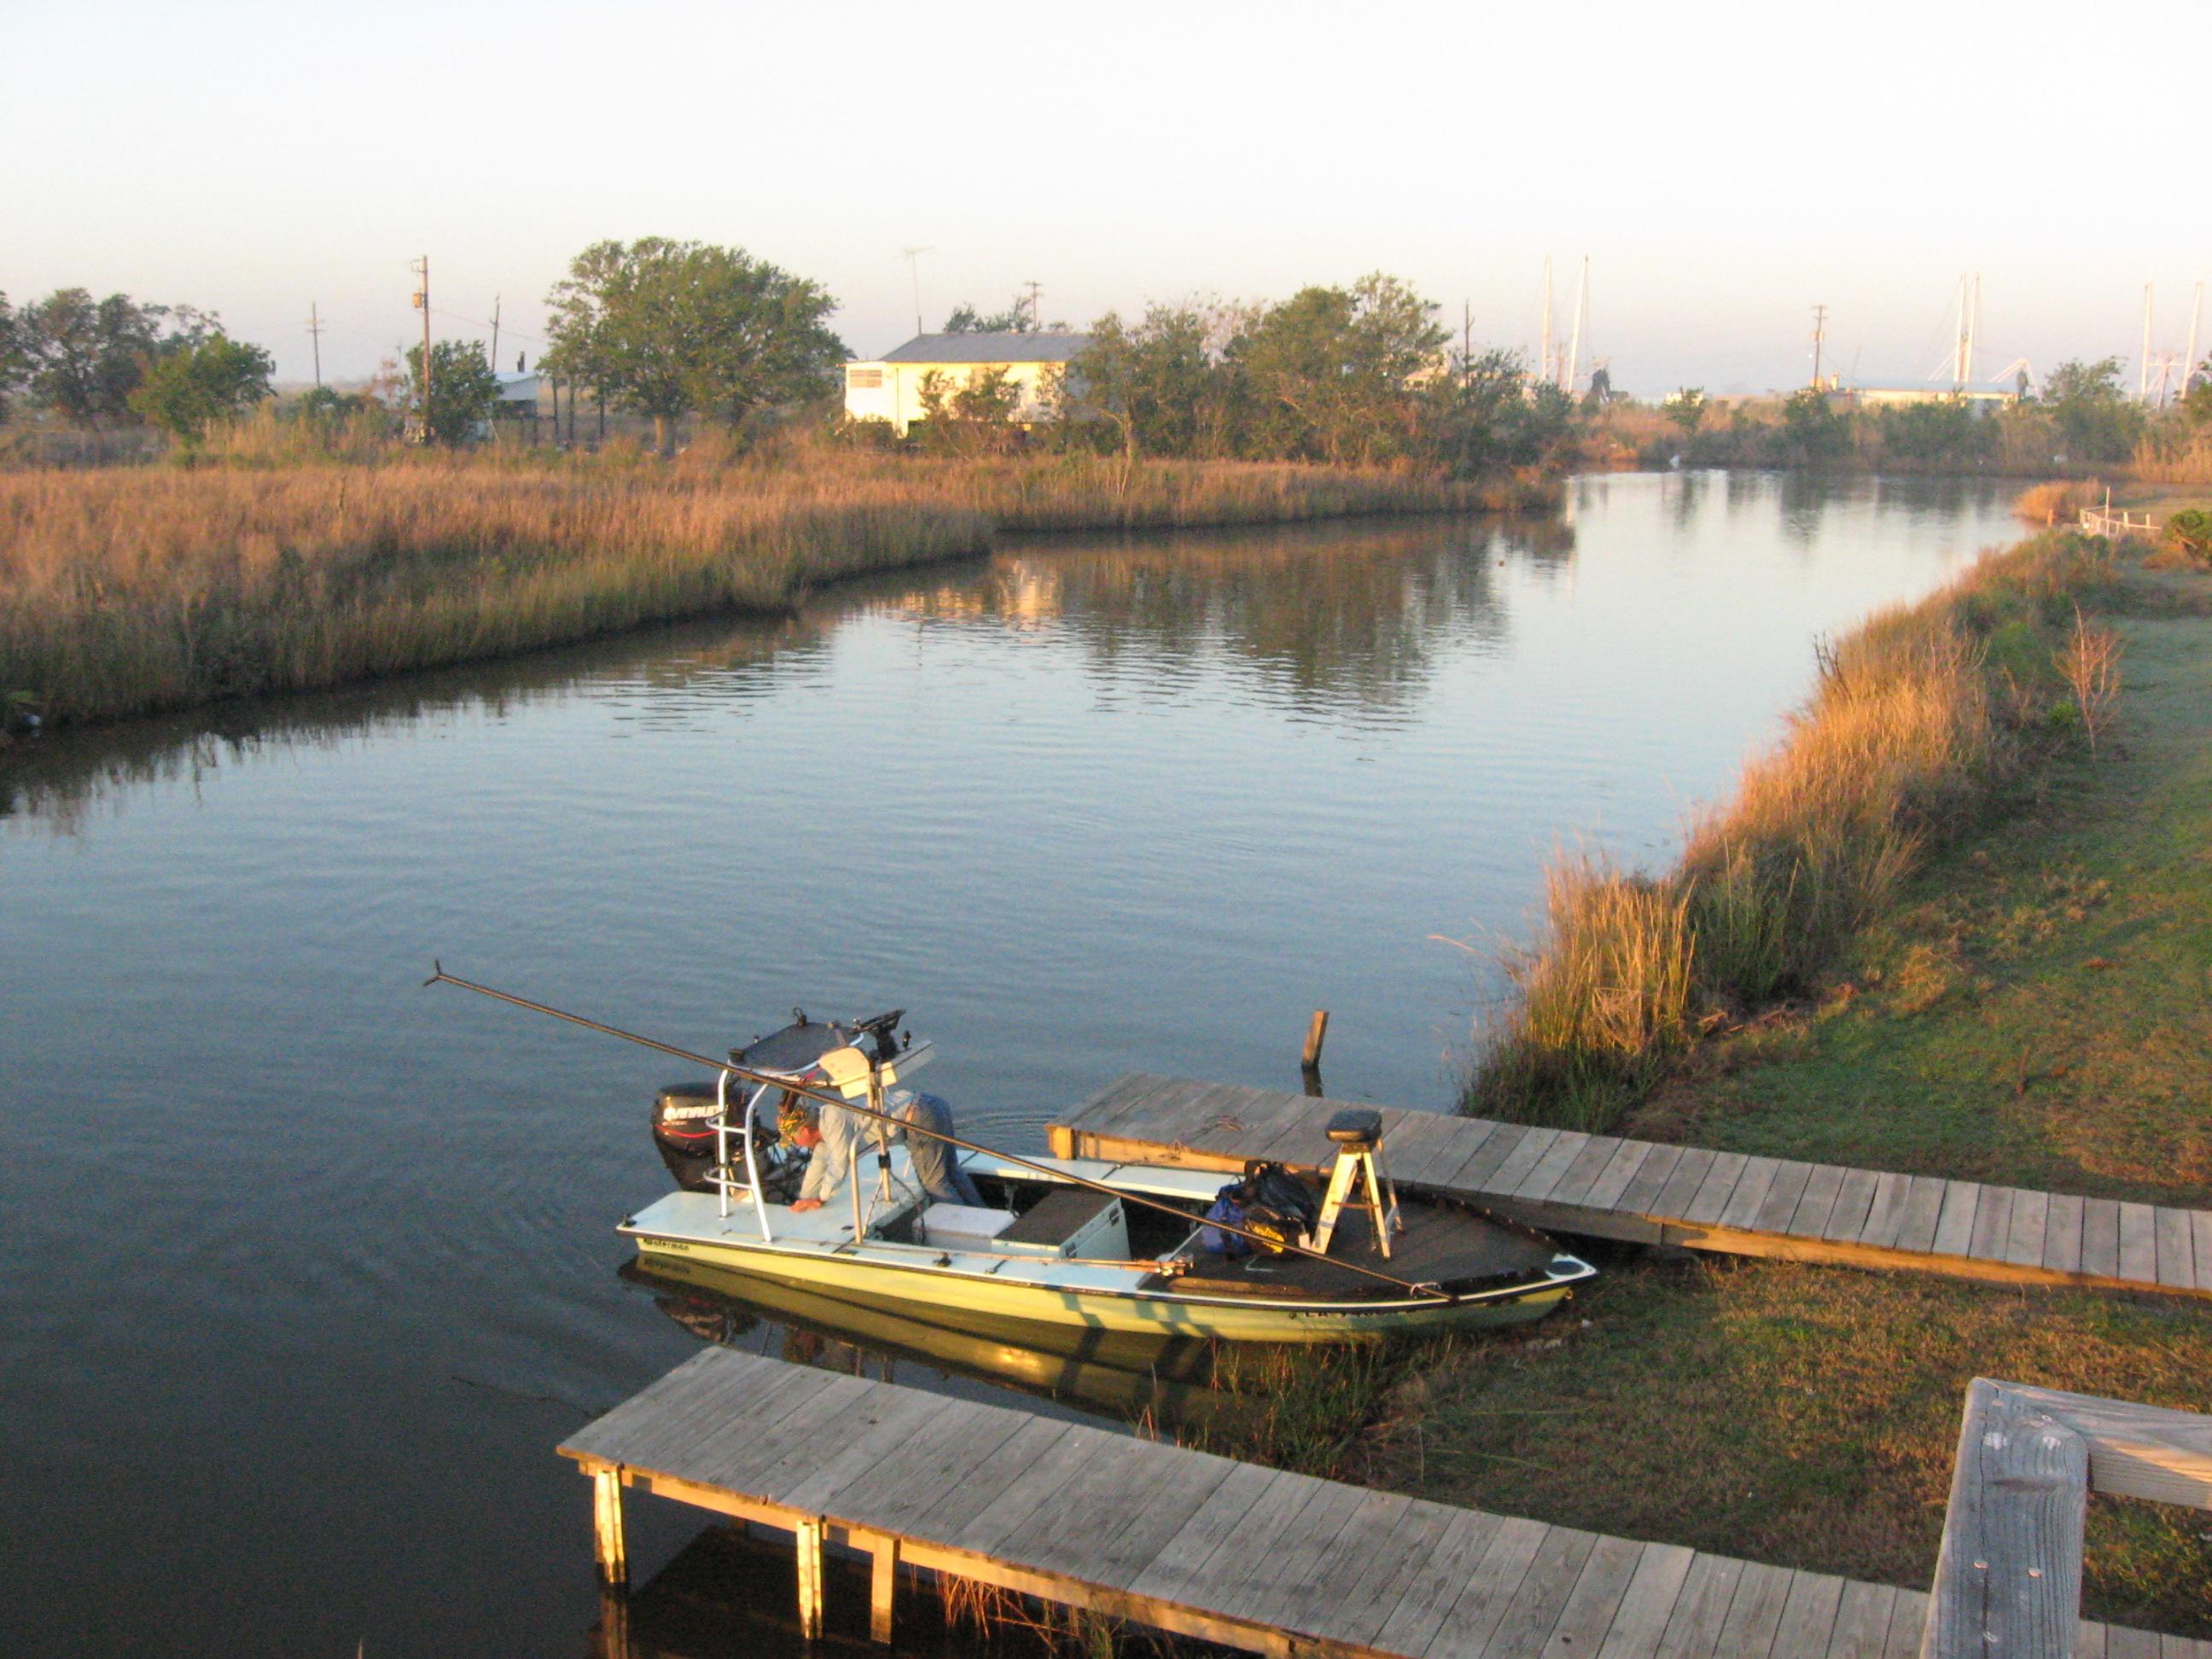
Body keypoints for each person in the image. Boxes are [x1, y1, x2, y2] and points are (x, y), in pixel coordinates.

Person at [783, 1086, 983, 1212]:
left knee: (935, 1183)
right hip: (930, 1104)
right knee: (952, 1171)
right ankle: (984, 1216)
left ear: (805, 1131)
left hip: (918, 1117)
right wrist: (804, 1198)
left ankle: (971, 1229)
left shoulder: (833, 1120)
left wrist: (820, 1198)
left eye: (793, 1139)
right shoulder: (824, 1128)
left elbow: (839, 1164)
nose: (795, 1145)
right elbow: (818, 1164)